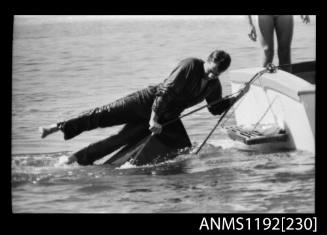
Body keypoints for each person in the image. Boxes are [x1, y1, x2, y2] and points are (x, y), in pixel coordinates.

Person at [39, 50, 246, 166]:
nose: (211, 76)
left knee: (121, 140)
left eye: (216, 75)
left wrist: (237, 96)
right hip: (146, 103)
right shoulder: (190, 65)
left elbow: (215, 109)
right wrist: (153, 119)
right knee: (103, 115)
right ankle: (58, 127)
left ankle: (73, 159)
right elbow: (164, 93)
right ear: (207, 61)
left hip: (165, 116)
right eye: (210, 71)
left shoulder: (213, 85)